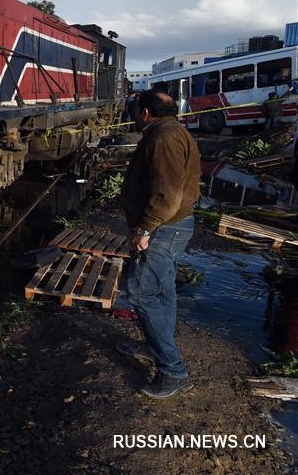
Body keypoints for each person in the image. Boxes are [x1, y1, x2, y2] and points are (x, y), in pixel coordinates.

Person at [116, 88, 201, 399]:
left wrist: (144, 229)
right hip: (173, 226)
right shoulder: (172, 131)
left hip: (164, 228)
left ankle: (173, 370)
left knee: (139, 291)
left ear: (145, 113)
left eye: (136, 109)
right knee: (163, 291)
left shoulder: (162, 138)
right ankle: (155, 348)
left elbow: (167, 194)